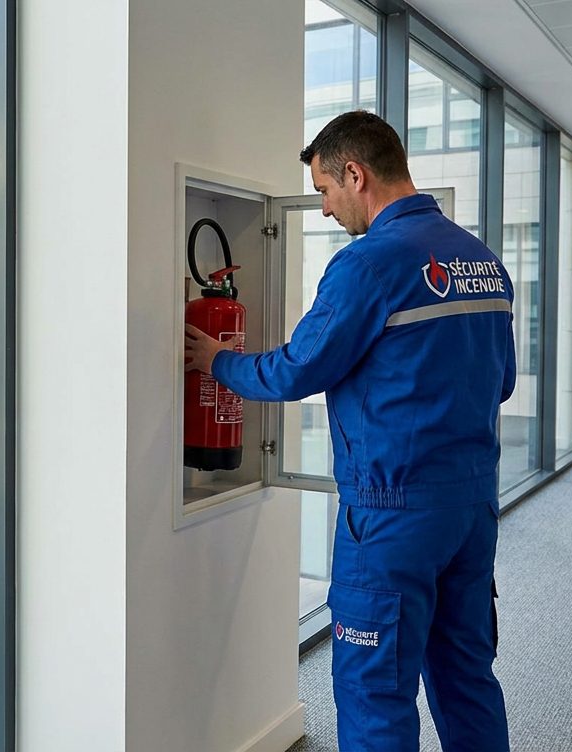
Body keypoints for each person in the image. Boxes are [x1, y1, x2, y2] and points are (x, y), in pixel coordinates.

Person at [185, 111, 514, 750]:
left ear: (355, 174)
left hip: (391, 516)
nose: (328, 210)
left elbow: (298, 368)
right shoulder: (483, 262)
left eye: (326, 191)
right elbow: (498, 385)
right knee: (466, 676)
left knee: (375, 692)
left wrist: (217, 362)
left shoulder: (368, 263)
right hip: (471, 509)